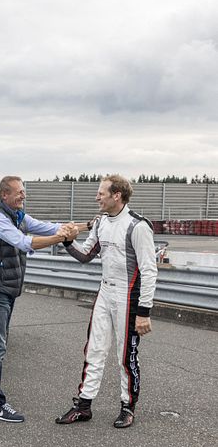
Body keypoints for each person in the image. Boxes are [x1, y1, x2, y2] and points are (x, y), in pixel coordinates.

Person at [0, 176, 81, 423]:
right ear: (4, 195)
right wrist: (61, 238)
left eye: (23, 191)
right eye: (19, 192)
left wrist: (77, 227)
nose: (23, 195)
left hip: (6, 289)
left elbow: (46, 226)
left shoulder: (19, 216)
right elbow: (24, 242)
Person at [55, 174, 157, 428]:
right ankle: (84, 405)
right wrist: (68, 241)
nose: (96, 197)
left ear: (117, 195)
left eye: (101, 193)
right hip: (104, 293)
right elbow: (86, 255)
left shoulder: (138, 225)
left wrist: (144, 311)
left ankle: (127, 407)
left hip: (128, 297)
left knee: (126, 356)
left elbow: (149, 270)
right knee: (94, 350)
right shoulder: (100, 222)